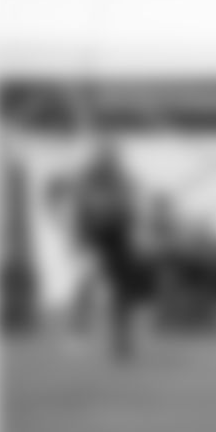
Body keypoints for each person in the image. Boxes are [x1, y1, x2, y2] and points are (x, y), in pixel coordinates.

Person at [62, 141, 150, 362]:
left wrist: (136, 235)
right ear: (98, 158)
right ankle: (77, 333)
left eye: (112, 156)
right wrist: (77, 239)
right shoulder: (87, 179)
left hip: (118, 236)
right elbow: (79, 210)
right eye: (106, 156)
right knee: (87, 283)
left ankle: (122, 342)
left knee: (122, 289)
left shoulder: (122, 179)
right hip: (94, 235)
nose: (110, 160)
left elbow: (131, 209)